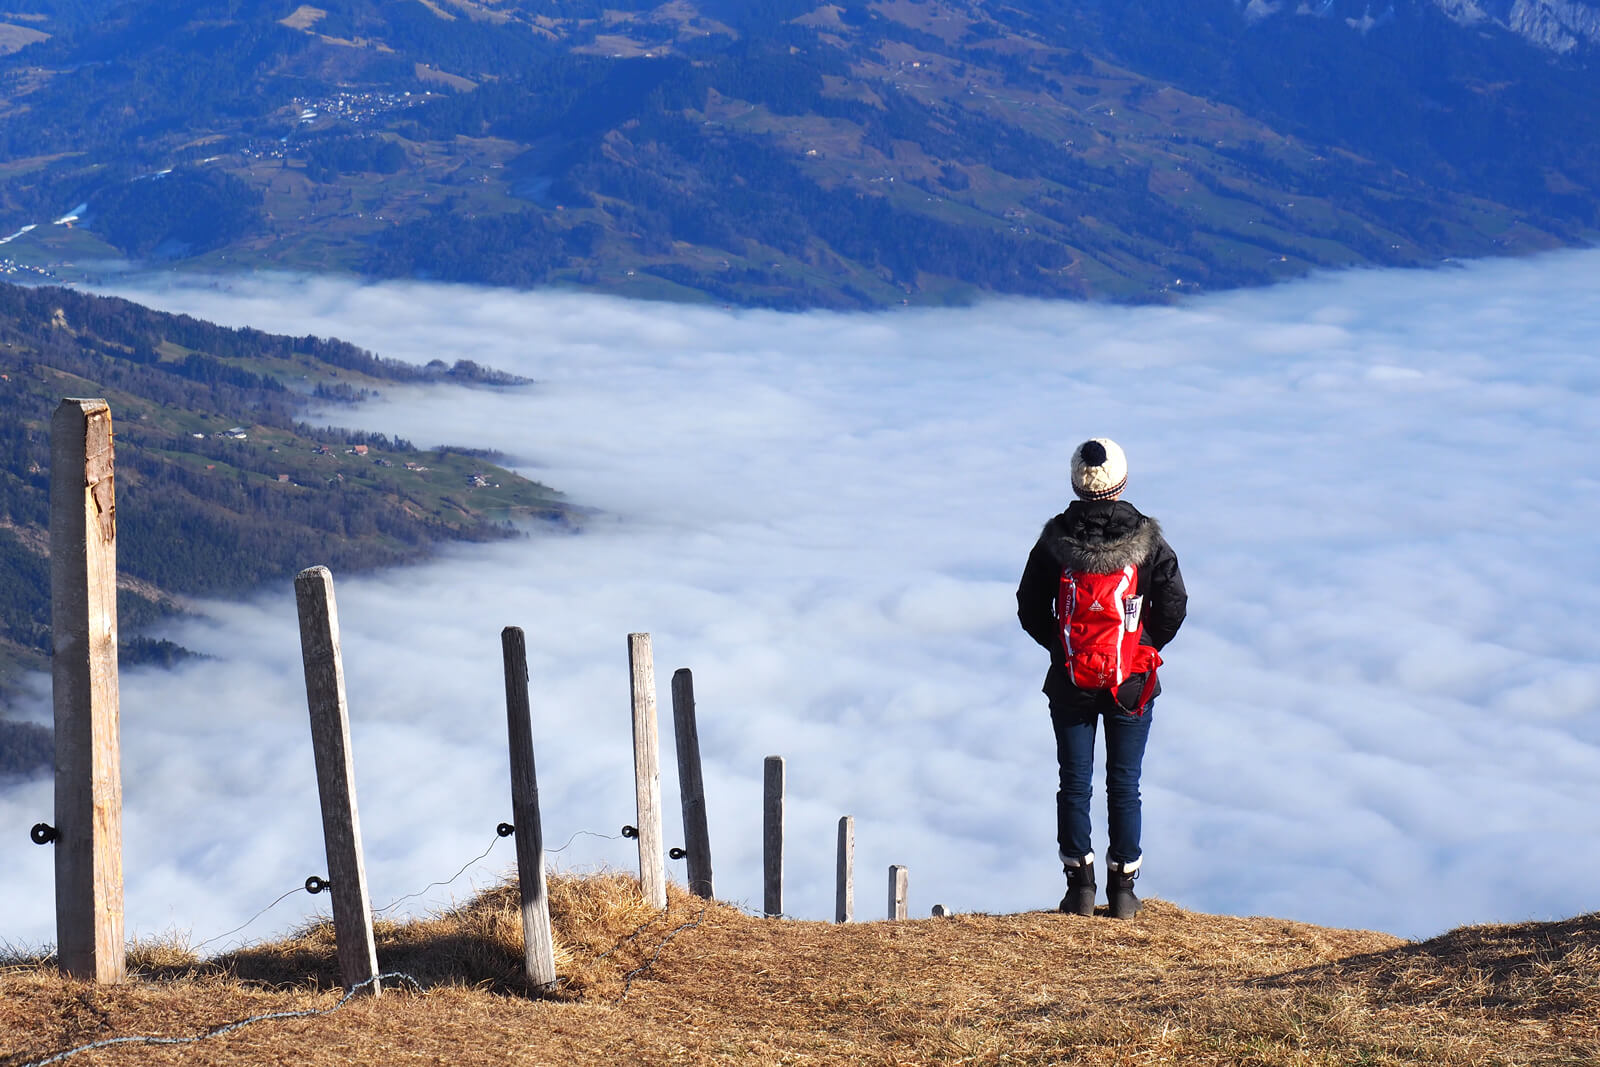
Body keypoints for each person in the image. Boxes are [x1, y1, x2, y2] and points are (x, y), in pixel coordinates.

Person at [1015, 438, 1186, 919]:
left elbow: (1029, 607)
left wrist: (1062, 648)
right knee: (1124, 785)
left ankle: (1080, 889)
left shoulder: (1054, 541)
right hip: (1130, 683)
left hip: (1070, 683)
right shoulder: (1149, 541)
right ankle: (1125, 891)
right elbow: (1174, 606)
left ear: (1076, 482)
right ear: (1122, 481)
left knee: (1074, 784)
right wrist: (1141, 648)